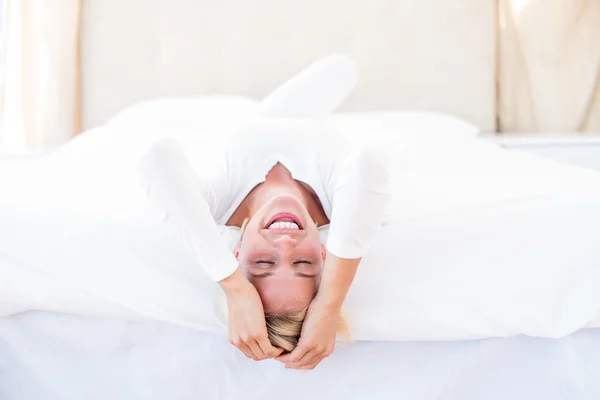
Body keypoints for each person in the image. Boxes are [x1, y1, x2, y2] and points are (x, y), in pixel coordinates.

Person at [139, 55, 390, 370]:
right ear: (325, 254)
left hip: (259, 121)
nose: (285, 244)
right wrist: (328, 304)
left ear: (237, 250)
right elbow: (368, 162)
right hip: (308, 122)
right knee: (344, 69)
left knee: (340, 69)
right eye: (303, 263)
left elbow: (158, 158)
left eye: (262, 263)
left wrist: (234, 287)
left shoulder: (223, 205)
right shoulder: (339, 208)